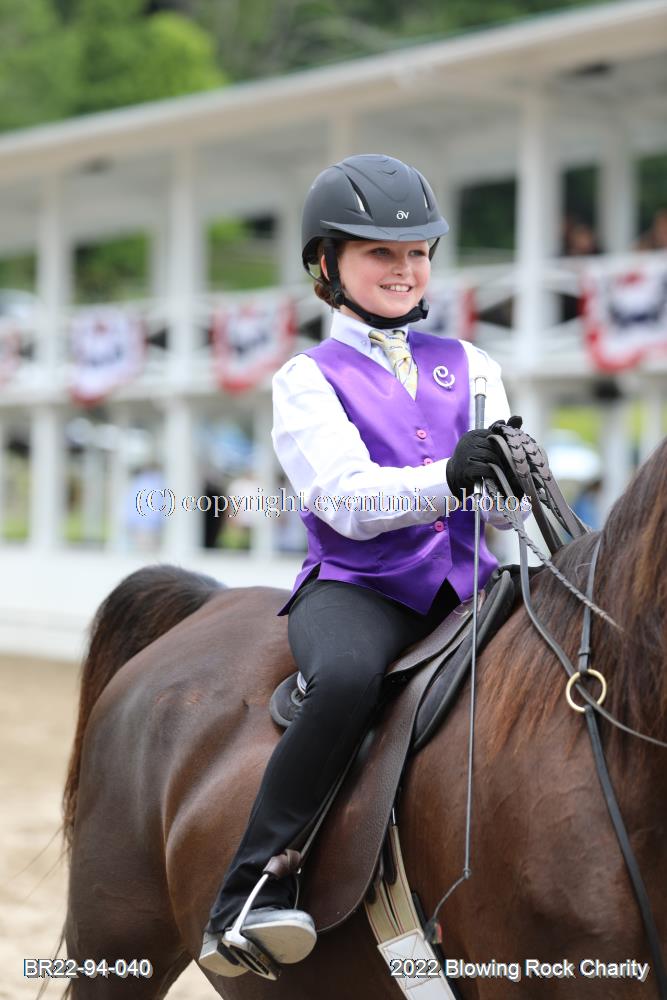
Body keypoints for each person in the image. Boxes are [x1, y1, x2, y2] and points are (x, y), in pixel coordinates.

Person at [200, 154, 523, 979]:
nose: (404, 268)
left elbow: (501, 512)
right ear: (325, 263)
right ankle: (251, 889)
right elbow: (344, 499)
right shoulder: (305, 379)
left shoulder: (473, 364)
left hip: (474, 586)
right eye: (381, 252)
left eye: (416, 252)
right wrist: (451, 475)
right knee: (344, 681)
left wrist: (512, 489)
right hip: (362, 591)